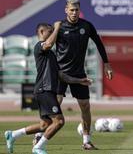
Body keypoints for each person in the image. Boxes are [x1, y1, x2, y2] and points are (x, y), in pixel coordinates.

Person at [4, 22, 92, 154]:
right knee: (59, 121)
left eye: (53, 32)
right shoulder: (39, 47)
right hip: (44, 89)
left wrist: (80, 81)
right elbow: (49, 44)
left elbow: (61, 76)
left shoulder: (51, 54)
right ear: (41, 32)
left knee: (44, 125)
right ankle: (38, 147)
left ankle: (13, 135)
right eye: (49, 32)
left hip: (46, 90)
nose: (53, 35)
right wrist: (57, 27)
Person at [55, 0, 113, 150]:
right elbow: (47, 46)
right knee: (54, 105)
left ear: (80, 11)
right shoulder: (59, 27)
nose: (74, 13)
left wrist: (107, 64)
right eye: (71, 10)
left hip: (79, 73)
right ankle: (40, 135)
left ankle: (86, 140)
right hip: (60, 73)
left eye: (76, 10)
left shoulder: (86, 26)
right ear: (66, 10)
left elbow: (99, 43)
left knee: (85, 106)